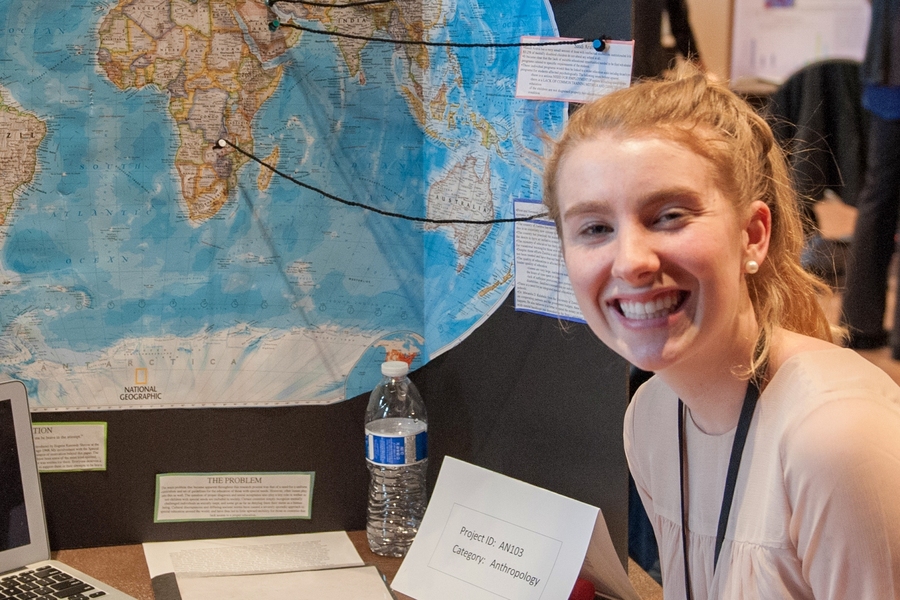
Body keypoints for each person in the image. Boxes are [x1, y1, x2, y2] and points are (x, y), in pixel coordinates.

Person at [542, 66, 900, 598]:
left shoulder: (835, 437)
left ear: (753, 235)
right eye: (595, 228)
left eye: (669, 216)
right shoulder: (652, 418)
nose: (632, 261)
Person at [839, 0, 900, 355]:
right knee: (878, 195)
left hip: (885, 73)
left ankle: (860, 324)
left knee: (878, 196)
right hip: (886, 74)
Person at [632, 0, 704, 80]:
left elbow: (679, 21)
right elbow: (679, 21)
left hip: (650, 59)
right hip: (651, 61)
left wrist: (696, 59)